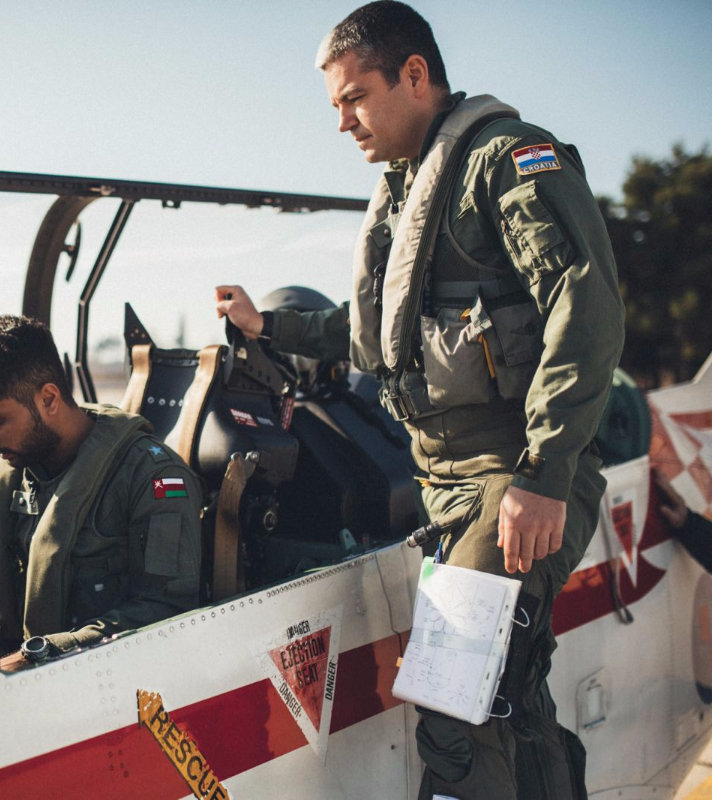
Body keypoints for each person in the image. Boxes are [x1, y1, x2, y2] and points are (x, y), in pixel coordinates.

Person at [215, 3, 623, 797]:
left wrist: (543, 475)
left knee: (453, 698)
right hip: (448, 487)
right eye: (335, 105)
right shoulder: (408, 189)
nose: (342, 122)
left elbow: (587, 310)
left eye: (354, 98)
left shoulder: (506, 161)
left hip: (516, 475)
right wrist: (269, 327)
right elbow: (377, 335)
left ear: (413, 74)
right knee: (506, 703)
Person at [0, 315, 202, 671]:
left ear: (49, 399)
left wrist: (39, 656)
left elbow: (168, 610)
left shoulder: (150, 478)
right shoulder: (12, 477)